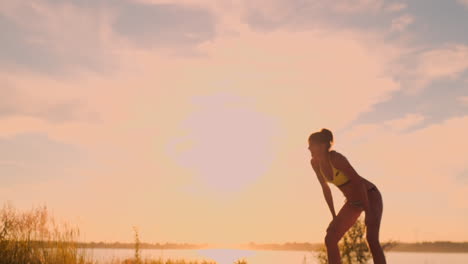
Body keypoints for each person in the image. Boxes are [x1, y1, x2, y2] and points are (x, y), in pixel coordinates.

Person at [308, 128, 386, 264]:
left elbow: (359, 183)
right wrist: (334, 217)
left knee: (372, 239)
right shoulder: (315, 163)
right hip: (353, 202)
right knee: (331, 238)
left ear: (322, 145)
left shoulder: (337, 159)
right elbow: (325, 189)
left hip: (370, 195)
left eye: (311, 145)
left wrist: (368, 212)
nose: (308, 148)